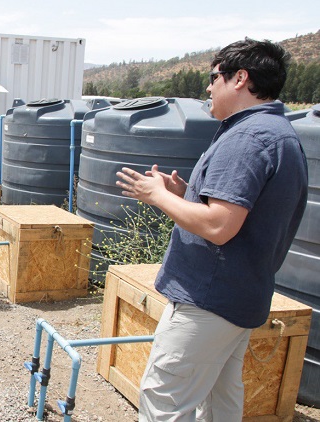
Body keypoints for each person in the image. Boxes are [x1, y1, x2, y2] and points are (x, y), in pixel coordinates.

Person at [116, 38, 308, 421]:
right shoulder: (277, 134)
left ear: (240, 78)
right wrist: (184, 194)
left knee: (165, 403)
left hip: (207, 302)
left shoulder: (247, 138)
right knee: (220, 403)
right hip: (239, 298)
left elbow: (220, 227)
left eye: (213, 77)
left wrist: (157, 195)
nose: (208, 87)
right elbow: (241, 213)